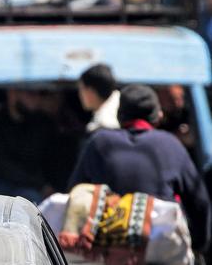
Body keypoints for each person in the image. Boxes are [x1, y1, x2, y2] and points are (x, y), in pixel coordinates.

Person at [68, 84, 212, 255]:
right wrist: (198, 245)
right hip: (162, 248)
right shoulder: (170, 144)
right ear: (158, 116)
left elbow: (75, 193)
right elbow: (199, 203)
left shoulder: (99, 142)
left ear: (119, 116)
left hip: (109, 250)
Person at [77, 63, 119, 133]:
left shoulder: (104, 123)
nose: (79, 95)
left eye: (81, 89)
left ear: (90, 92)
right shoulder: (120, 103)